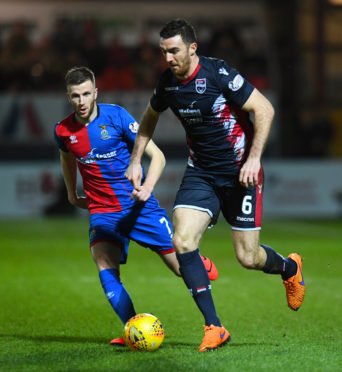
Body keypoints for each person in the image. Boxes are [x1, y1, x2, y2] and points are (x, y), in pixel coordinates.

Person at [126, 19, 306, 352]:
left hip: (241, 174)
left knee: (248, 257)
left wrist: (253, 159)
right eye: (164, 52)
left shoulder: (218, 74)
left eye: (174, 51)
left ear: (193, 49)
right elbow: (148, 119)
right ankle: (215, 326)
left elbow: (264, 109)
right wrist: (136, 159)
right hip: (201, 173)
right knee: (181, 240)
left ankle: (290, 267)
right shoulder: (167, 84)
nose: (168, 58)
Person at [54, 66, 218, 346]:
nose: (81, 101)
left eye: (85, 94)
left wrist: (147, 189)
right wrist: (71, 193)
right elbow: (67, 157)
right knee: (105, 264)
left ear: (95, 93)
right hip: (102, 211)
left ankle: (212, 317)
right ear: (68, 97)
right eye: (74, 96)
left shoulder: (116, 117)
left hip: (138, 207)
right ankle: (133, 329)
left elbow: (158, 157)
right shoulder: (63, 131)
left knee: (181, 268)